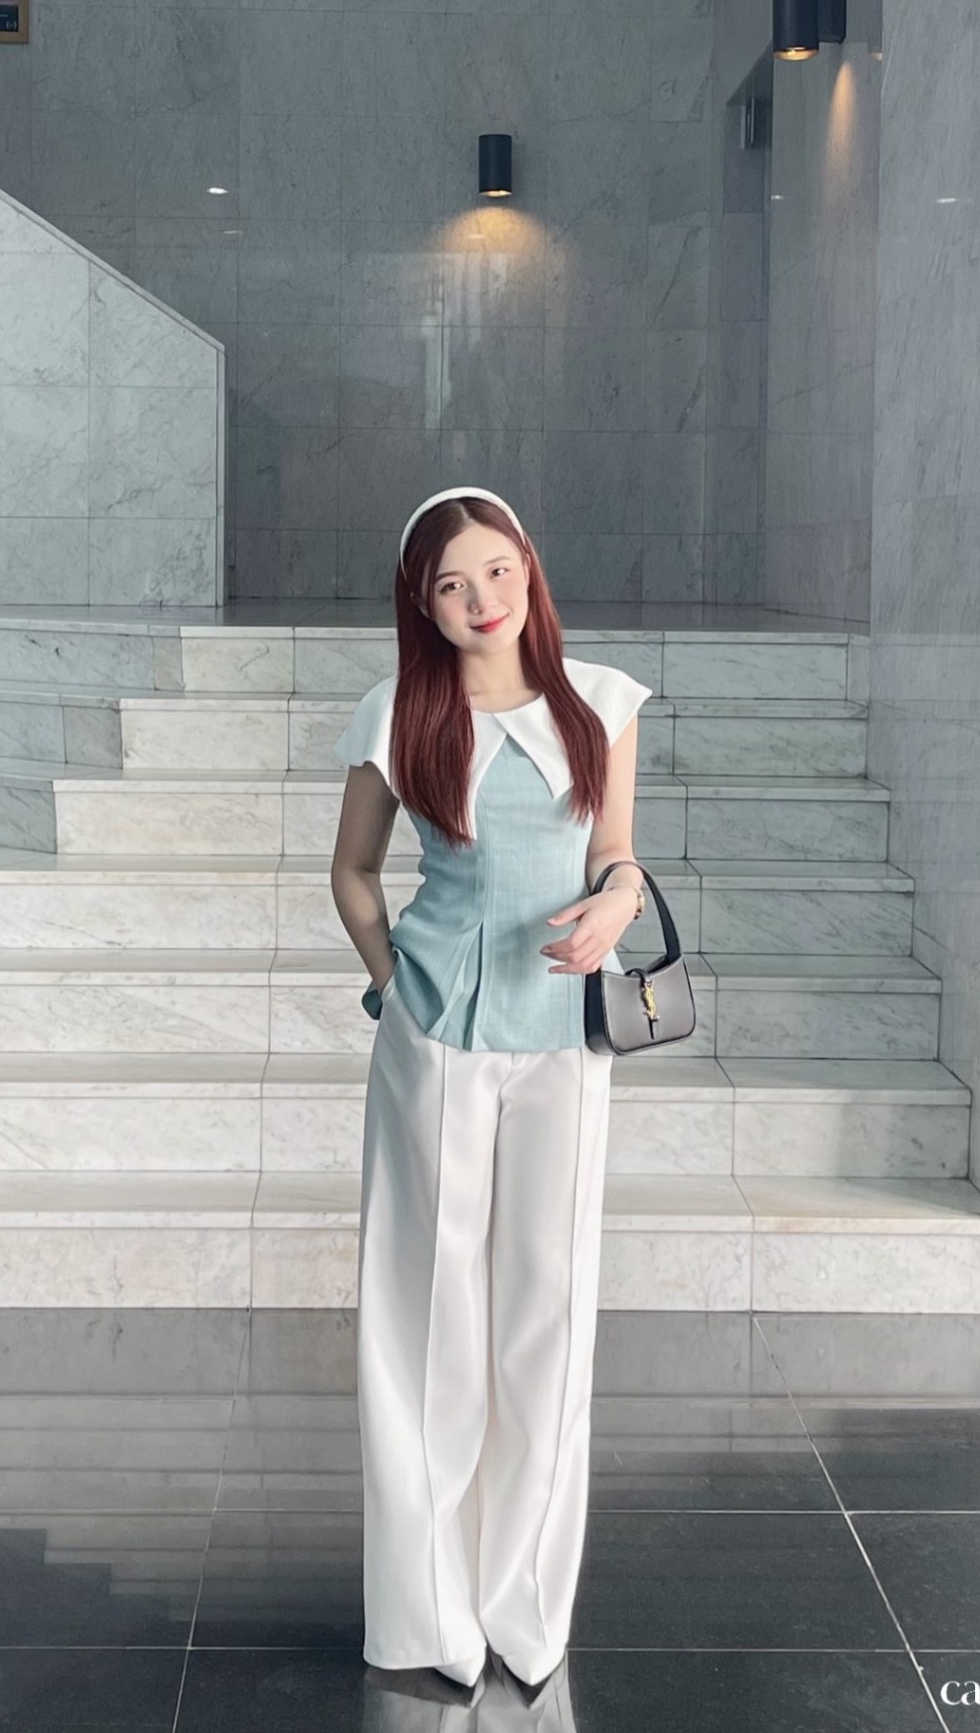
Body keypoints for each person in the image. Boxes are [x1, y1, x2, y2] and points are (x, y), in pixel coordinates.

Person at [329, 487, 652, 1697]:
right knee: (425, 1321)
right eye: (453, 584)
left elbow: (615, 852)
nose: (483, 599)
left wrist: (618, 901)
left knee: (546, 1315)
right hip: (436, 1040)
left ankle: (523, 1602)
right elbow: (352, 870)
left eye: (499, 570)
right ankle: (427, 1611)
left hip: (564, 1036)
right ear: (422, 602)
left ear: (529, 567)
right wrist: (390, 985)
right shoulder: (399, 713)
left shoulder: (599, 704)